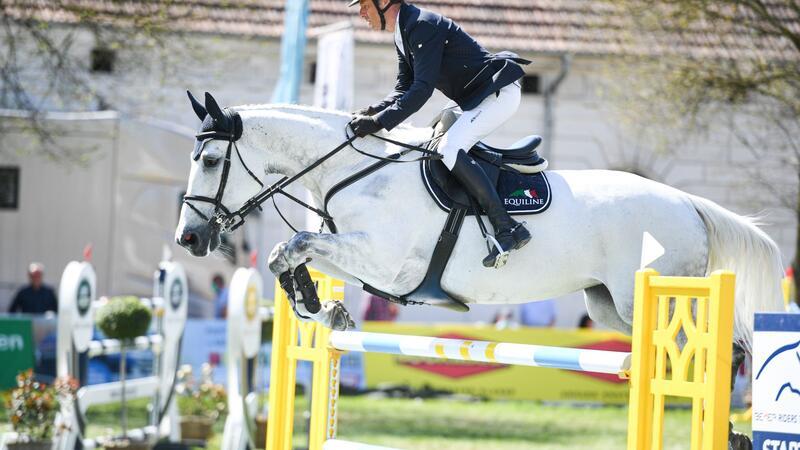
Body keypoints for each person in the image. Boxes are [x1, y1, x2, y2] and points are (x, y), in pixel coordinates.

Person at [347, 0, 531, 268]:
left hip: (496, 94)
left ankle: (507, 228)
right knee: (431, 142)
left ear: (384, 2)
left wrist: (378, 123)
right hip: (472, 98)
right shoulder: (403, 30)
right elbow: (403, 87)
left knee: (449, 148)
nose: (361, 12)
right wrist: (373, 111)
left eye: (364, 4)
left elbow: (422, 89)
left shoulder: (421, 25)